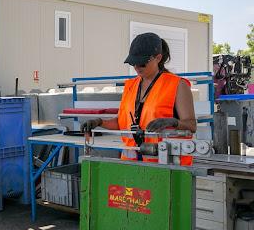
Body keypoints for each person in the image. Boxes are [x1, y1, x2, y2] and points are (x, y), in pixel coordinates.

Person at [82, 32, 197, 165]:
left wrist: (173, 122)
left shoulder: (177, 85)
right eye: (133, 63)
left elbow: (191, 126)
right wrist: (99, 122)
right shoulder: (130, 86)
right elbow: (121, 123)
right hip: (132, 165)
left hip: (167, 165)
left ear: (158, 58)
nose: (136, 67)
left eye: (142, 63)